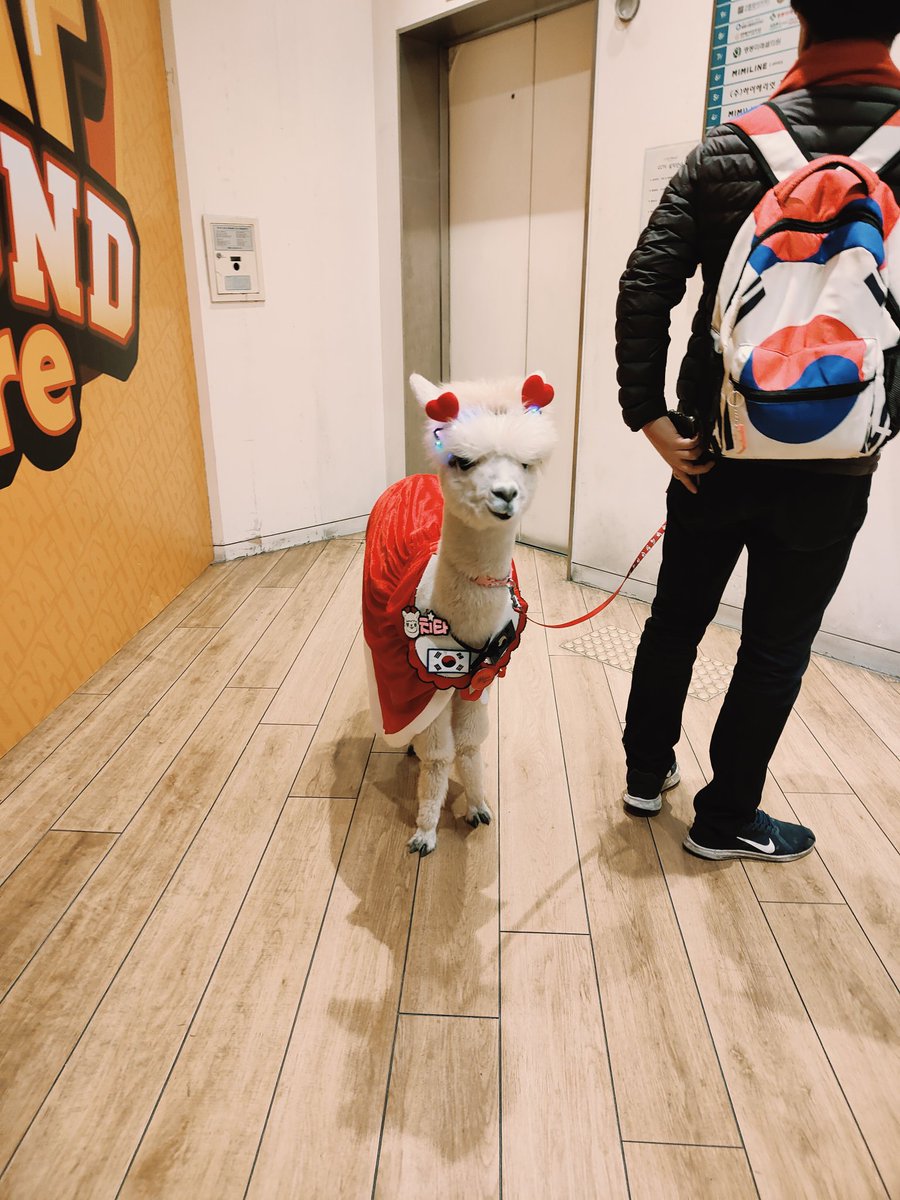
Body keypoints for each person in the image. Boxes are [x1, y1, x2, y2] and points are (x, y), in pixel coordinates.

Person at [615, 0, 900, 861]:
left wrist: (652, 419)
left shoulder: (730, 147)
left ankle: (642, 773)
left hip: (714, 446)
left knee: (677, 618)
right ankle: (727, 817)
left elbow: (644, 288)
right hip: (837, 464)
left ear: (798, 16)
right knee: (777, 646)